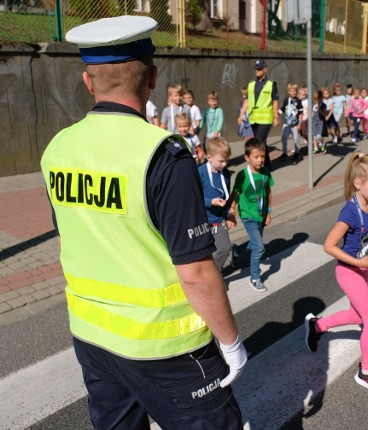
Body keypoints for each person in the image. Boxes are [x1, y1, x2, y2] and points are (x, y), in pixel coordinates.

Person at [40, 15, 246, 429]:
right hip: (166, 349)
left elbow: (74, 234)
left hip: (92, 338)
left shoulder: (57, 149)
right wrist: (231, 342)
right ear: (152, 78)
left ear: (88, 81)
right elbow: (196, 271)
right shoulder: (163, 154)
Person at [304, 152, 368, 395]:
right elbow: (329, 245)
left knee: (357, 315)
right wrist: (357, 261)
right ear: (358, 183)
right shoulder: (350, 212)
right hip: (348, 272)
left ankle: (317, 326)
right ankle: (366, 371)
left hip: (363, 271)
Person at [229, 138, 274, 292]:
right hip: (248, 214)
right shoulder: (242, 175)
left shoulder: (266, 172)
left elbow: (268, 192)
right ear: (247, 158)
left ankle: (236, 251)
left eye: (263, 156)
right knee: (260, 247)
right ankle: (255, 277)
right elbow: (235, 193)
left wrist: (268, 213)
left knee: (255, 243)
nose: (260, 160)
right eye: (256, 157)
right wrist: (232, 211)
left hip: (261, 214)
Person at [199, 137, 235, 272]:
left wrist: (229, 215)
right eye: (221, 161)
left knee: (225, 248)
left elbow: (227, 195)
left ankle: (215, 273)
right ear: (209, 157)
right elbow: (194, 199)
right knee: (203, 253)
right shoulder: (200, 173)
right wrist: (210, 202)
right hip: (202, 220)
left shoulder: (225, 173)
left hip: (218, 219)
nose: (224, 164)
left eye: (227, 160)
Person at [238, 59, 279, 171]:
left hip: (265, 118)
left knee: (258, 142)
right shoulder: (251, 84)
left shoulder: (271, 84)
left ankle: (258, 167)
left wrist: (276, 117)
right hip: (254, 118)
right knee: (262, 143)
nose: (257, 70)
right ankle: (268, 166)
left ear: (265, 69)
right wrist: (241, 114)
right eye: (256, 68)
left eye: (259, 68)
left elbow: (275, 101)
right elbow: (247, 101)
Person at [278, 83, 303, 161]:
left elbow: (301, 113)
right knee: (284, 138)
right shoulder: (286, 100)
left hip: (295, 124)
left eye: (294, 91)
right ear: (288, 92)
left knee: (296, 139)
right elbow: (282, 109)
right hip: (286, 123)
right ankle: (284, 153)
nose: (293, 93)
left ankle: (297, 153)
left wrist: (299, 124)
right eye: (291, 91)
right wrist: (276, 114)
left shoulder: (298, 101)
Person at [312, 90, 327, 154]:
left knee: (319, 136)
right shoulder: (313, 104)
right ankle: (315, 147)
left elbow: (324, 114)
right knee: (314, 136)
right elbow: (312, 112)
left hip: (321, 122)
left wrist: (319, 110)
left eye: (317, 99)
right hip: (314, 121)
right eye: (315, 99)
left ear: (320, 99)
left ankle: (323, 144)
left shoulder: (323, 105)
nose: (316, 101)